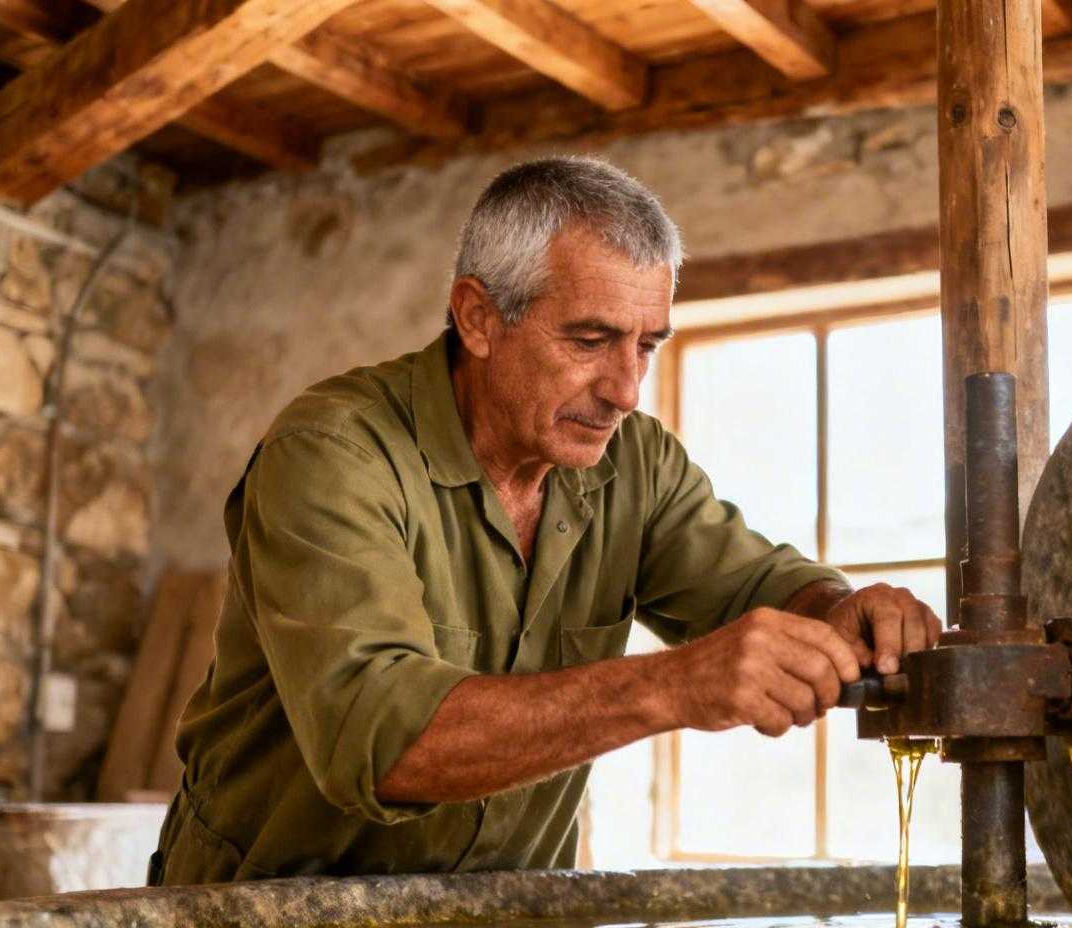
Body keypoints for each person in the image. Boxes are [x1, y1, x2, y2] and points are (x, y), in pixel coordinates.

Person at [150, 157, 941, 884]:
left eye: (647, 346)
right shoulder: (331, 454)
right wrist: (670, 687)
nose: (626, 390)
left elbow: (760, 589)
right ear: (478, 318)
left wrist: (841, 612)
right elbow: (383, 741)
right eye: (592, 340)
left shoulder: (637, 463)